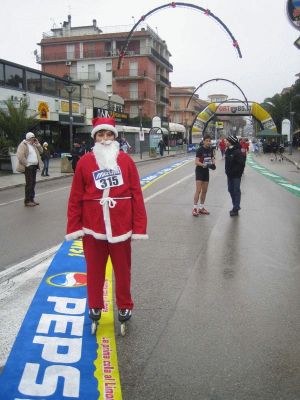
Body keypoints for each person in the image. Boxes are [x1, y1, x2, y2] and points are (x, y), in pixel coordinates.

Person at [66, 117, 148, 329]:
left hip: (121, 225)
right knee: (94, 270)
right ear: (94, 137)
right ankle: (94, 305)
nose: (104, 139)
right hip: (93, 226)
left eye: (108, 134)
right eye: (100, 135)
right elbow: (75, 197)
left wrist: (139, 227)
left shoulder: (126, 161)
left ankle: (124, 305)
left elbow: (137, 194)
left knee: (122, 270)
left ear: (114, 136)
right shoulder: (85, 162)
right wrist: (75, 227)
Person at [16, 132, 43, 207]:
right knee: (29, 183)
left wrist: (38, 144)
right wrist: (27, 164)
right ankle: (27, 201)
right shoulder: (23, 145)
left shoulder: (34, 145)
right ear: (28, 138)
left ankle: (31, 199)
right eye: (32, 138)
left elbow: (41, 151)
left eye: (34, 138)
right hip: (28, 167)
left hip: (34, 166)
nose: (33, 140)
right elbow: (20, 156)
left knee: (33, 183)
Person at [192, 134, 216, 216]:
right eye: (207, 141)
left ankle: (201, 208)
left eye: (209, 141)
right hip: (199, 171)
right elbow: (196, 162)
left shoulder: (210, 149)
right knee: (198, 191)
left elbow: (212, 158)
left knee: (204, 191)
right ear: (203, 141)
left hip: (206, 171)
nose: (208, 142)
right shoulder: (200, 150)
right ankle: (195, 208)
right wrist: (203, 165)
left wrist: (213, 164)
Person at [225, 135, 246, 217]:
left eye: (227, 141)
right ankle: (236, 205)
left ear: (231, 142)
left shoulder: (237, 151)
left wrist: (238, 173)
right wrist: (227, 171)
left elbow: (242, 164)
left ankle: (236, 208)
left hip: (236, 176)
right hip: (229, 175)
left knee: (236, 190)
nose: (225, 142)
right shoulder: (228, 150)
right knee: (230, 189)